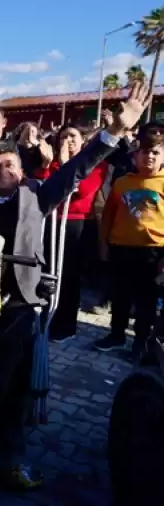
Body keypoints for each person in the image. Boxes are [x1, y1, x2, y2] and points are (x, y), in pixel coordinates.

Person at [0, 79, 150, 487]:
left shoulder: (38, 196)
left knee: (13, 365)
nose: (1, 170)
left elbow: (79, 167)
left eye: (9, 166)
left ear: (21, 173)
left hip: (18, 296)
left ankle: (9, 443)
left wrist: (114, 133)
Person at [95, 121, 164, 358]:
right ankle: (116, 335)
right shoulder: (122, 183)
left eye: (156, 152)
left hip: (154, 252)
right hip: (121, 248)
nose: (150, 157)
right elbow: (108, 216)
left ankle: (141, 341)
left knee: (147, 300)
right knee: (120, 295)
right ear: (136, 155)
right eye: (145, 152)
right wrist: (103, 242)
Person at [37, 126, 108, 343]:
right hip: (51, 222)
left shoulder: (96, 164)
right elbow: (42, 187)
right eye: (64, 137)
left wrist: (67, 165)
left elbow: (80, 191)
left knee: (69, 277)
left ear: (83, 142)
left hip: (76, 225)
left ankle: (66, 326)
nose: (68, 141)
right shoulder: (54, 164)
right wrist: (47, 166)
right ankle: (45, 319)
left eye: (73, 137)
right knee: (48, 273)